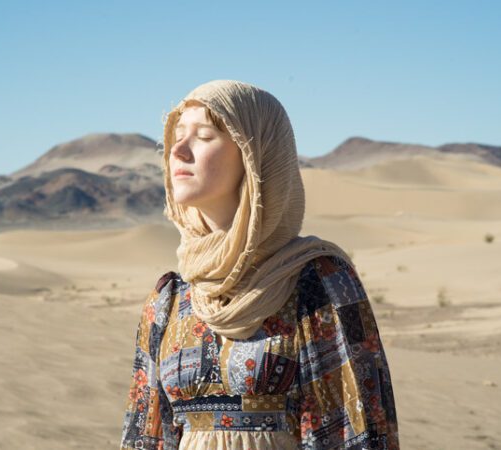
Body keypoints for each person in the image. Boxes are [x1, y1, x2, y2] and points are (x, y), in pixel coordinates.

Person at [120, 80, 399, 450]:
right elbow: (146, 437)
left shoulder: (317, 282)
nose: (179, 151)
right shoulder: (170, 299)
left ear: (256, 157)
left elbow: (358, 433)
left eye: (204, 136)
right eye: (177, 136)